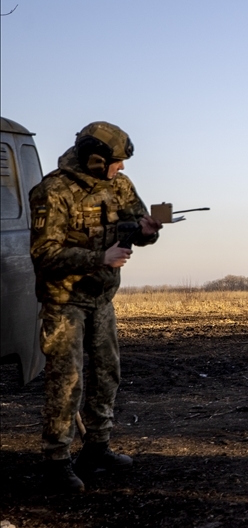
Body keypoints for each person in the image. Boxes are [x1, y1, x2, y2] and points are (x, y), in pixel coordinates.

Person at [29, 121, 162, 493]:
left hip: (102, 298)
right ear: (95, 158)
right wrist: (99, 258)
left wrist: (145, 232)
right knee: (66, 380)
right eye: (116, 162)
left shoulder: (119, 185)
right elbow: (44, 254)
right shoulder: (53, 191)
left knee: (107, 374)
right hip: (64, 299)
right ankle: (56, 460)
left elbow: (132, 225)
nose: (121, 169)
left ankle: (97, 448)